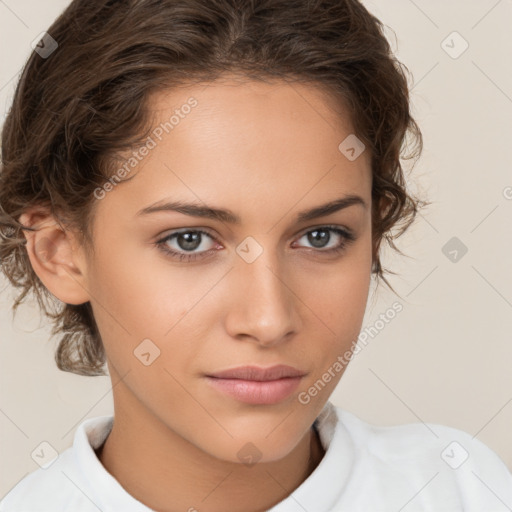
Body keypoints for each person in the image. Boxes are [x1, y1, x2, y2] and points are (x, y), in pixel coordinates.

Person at [1, 0, 511, 510]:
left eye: (320, 236)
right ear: (60, 253)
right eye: (190, 241)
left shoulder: (461, 490)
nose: (269, 321)